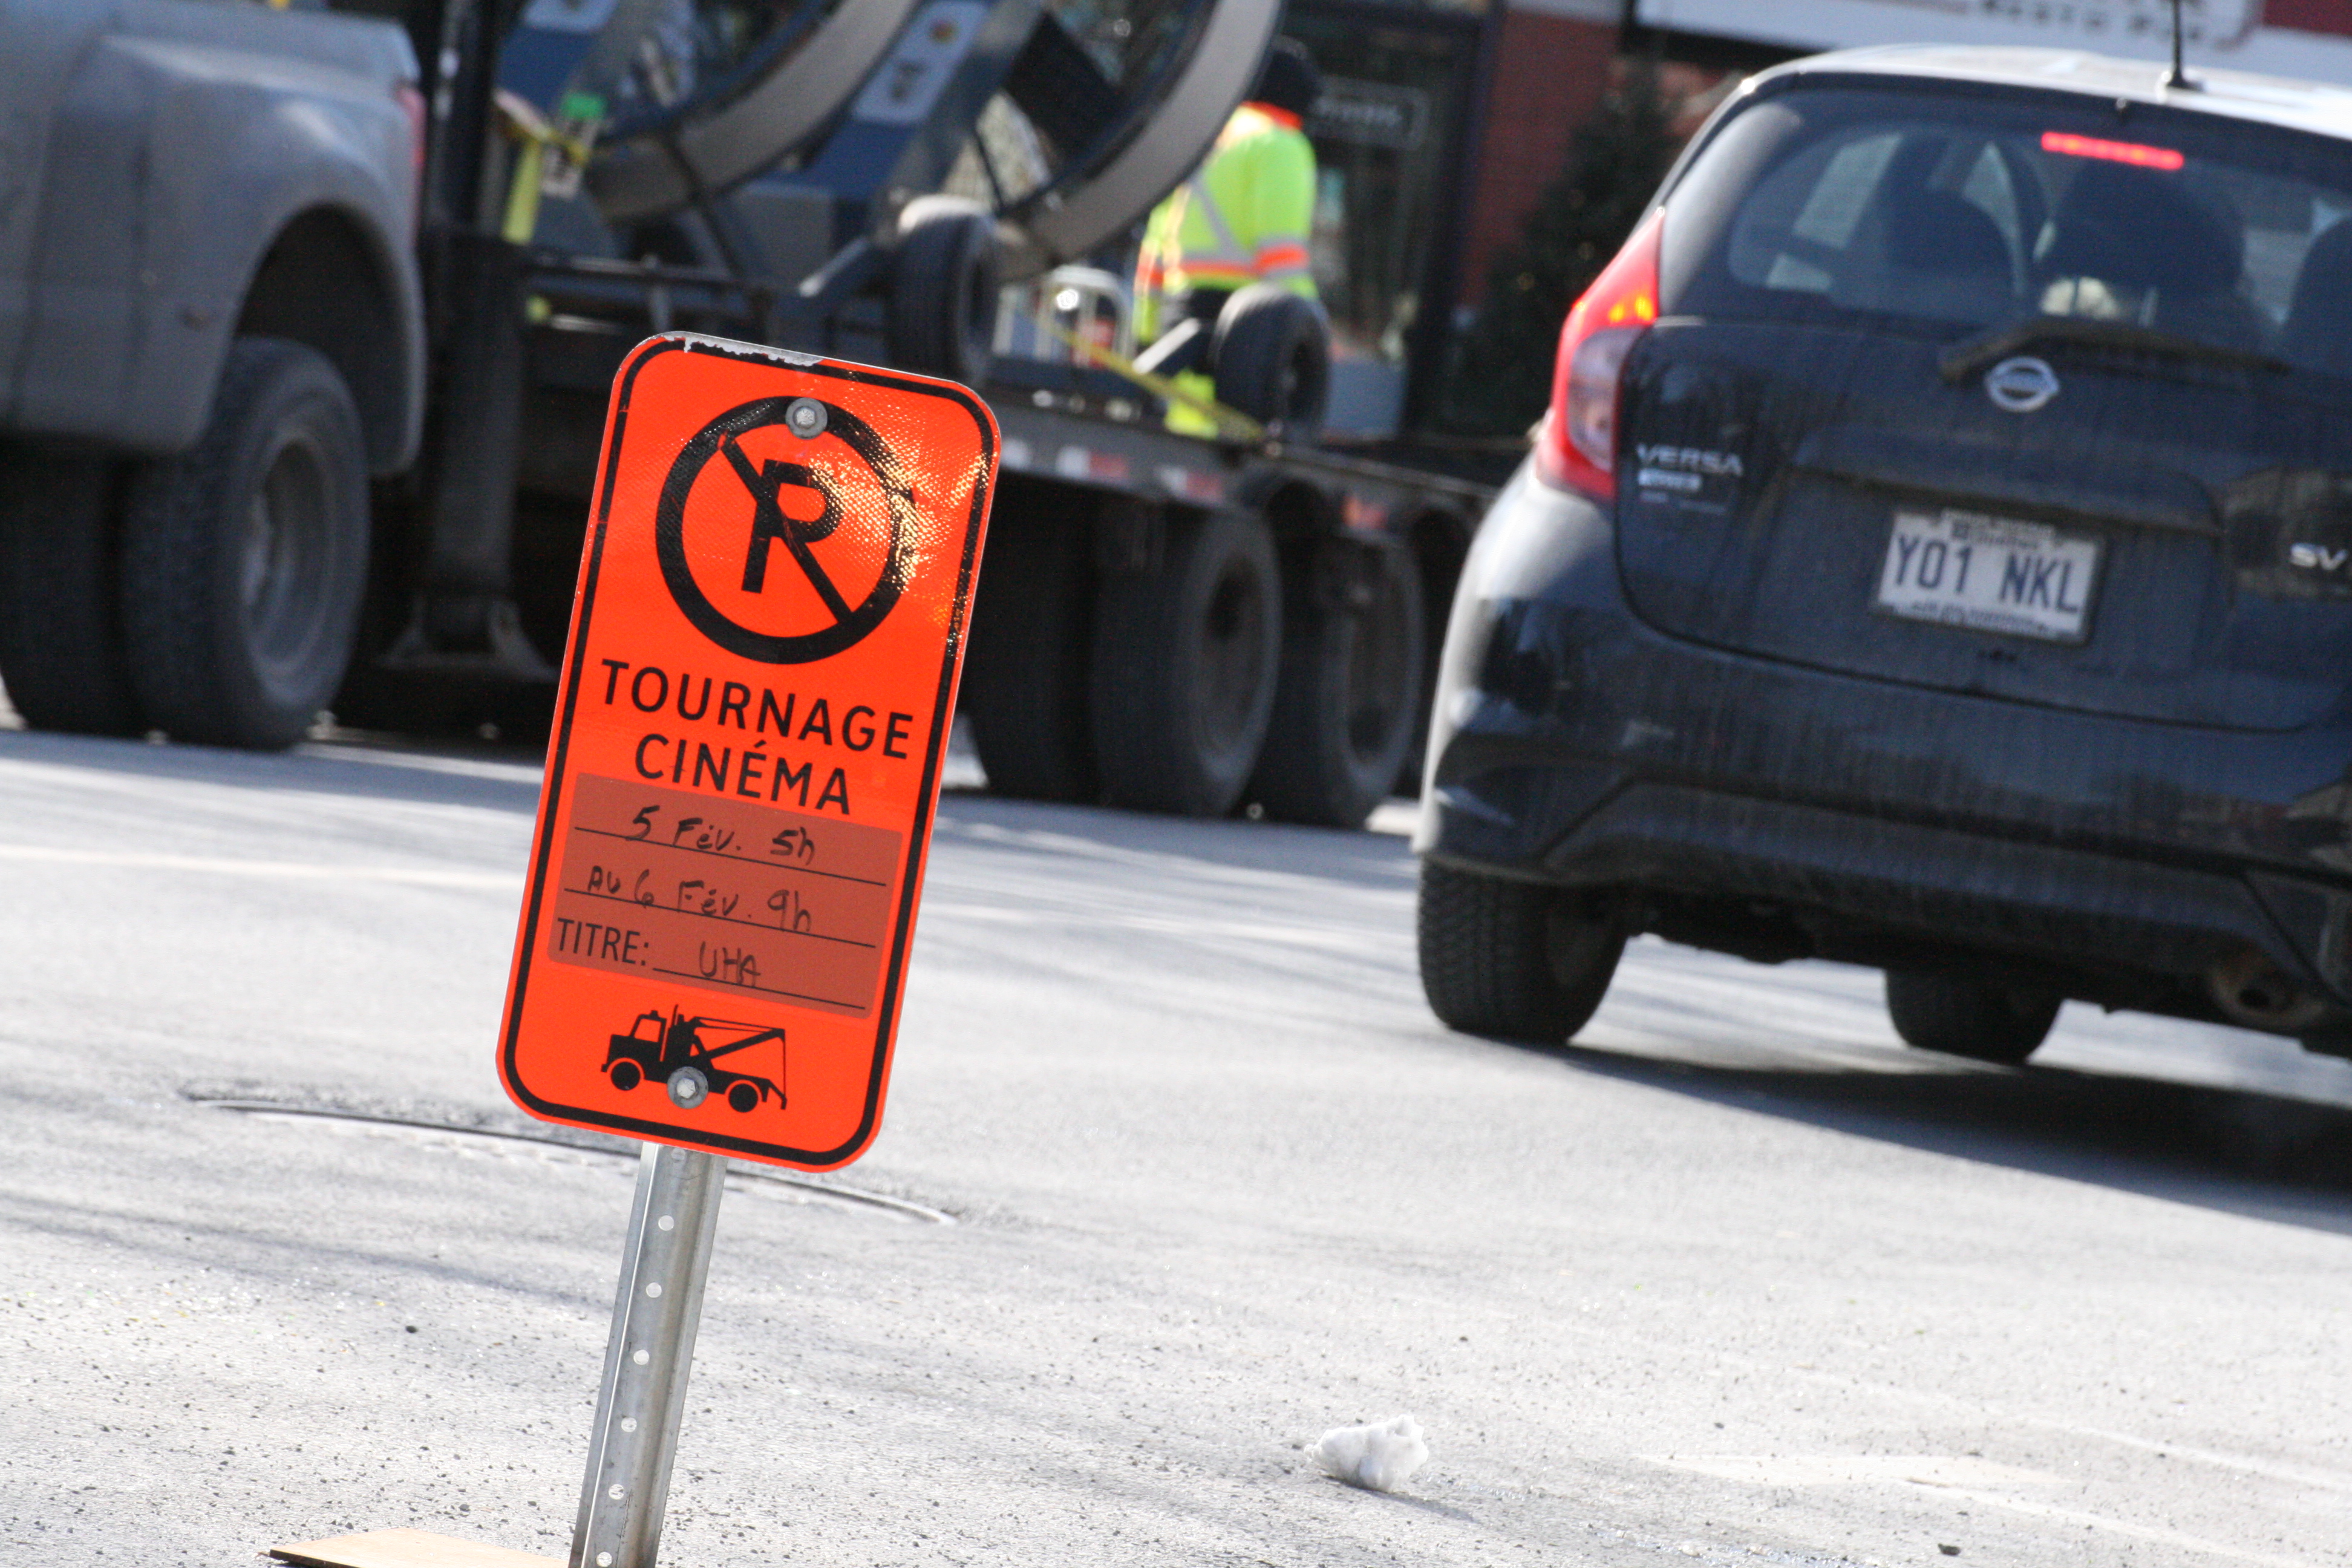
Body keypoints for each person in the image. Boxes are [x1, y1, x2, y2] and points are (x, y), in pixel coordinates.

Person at [1132, 39, 1321, 431]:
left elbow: (1154, 251)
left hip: (1179, 320)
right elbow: (1280, 256)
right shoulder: (1281, 144)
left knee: (1181, 451)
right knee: (1227, 461)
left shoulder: (1204, 137)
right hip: (1246, 333)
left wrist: (1146, 339)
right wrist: (1310, 329)